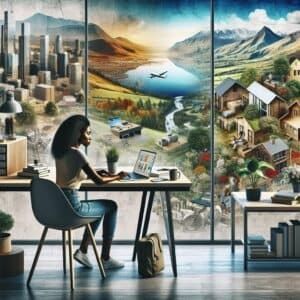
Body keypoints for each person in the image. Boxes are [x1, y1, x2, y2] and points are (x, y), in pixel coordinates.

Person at [51, 114, 127, 270]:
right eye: (88, 132)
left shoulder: (61, 152)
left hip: (60, 206)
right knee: (111, 206)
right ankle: (105, 258)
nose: (90, 136)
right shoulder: (78, 153)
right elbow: (98, 181)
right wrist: (118, 176)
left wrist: (102, 174)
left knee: (98, 209)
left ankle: (83, 251)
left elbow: (77, 173)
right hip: (73, 207)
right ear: (78, 133)